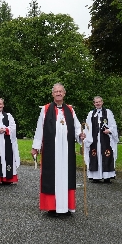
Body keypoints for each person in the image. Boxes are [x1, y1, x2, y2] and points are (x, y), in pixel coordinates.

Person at [31, 83, 85, 215]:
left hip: (66, 150)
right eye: (56, 91)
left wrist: (81, 134)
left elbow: (77, 127)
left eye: (61, 91)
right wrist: (35, 147)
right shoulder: (45, 109)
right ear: (52, 94)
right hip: (51, 150)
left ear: (64, 93)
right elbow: (39, 129)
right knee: (51, 176)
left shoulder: (70, 110)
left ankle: (66, 207)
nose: (58, 93)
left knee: (66, 176)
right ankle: (52, 207)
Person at [83, 96, 119, 183]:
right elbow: (87, 126)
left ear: (102, 102)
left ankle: (107, 177)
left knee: (106, 154)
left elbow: (113, 125)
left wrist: (109, 130)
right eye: (96, 102)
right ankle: (95, 176)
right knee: (95, 154)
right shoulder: (91, 113)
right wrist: (85, 135)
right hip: (94, 140)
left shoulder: (108, 112)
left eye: (99, 102)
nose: (98, 103)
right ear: (94, 103)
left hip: (105, 139)